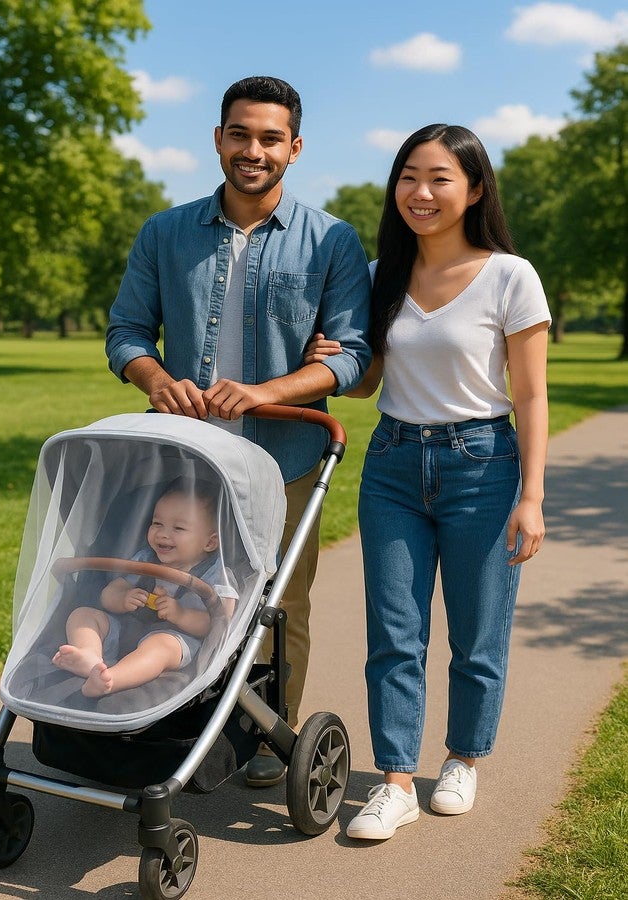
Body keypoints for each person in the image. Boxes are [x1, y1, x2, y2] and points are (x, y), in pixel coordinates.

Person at [105, 76, 371, 783]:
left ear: (295, 148)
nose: (254, 150)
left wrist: (266, 392)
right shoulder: (163, 233)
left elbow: (352, 353)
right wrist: (157, 381)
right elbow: (127, 331)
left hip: (285, 459)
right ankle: (169, 717)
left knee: (279, 605)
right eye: (241, 134)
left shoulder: (332, 242)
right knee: (172, 586)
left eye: (270, 138)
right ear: (219, 138)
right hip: (186, 463)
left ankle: (266, 734)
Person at [305, 124, 550, 839]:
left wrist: (532, 496)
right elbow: (374, 379)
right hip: (392, 468)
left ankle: (463, 759)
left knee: (477, 634)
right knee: (394, 632)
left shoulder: (512, 274)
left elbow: (531, 395)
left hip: (484, 466)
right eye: (409, 176)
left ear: (474, 189)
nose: (421, 191)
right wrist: (336, 362)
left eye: (440, 177)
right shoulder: (383, 272)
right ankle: (395, 781)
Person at [52, 484, 238, 697]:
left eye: (178, 528)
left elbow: (219, 622)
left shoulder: (217, 575)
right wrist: (122, 598)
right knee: (82, 614)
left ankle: (112, 679)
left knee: (161, 646)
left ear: (210, 542)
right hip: (125, 629)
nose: (163, 534)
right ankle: (90, 657)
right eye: (157, 523)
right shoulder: (145, 558)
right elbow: (109, 592)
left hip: (176, 639)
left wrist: (181, 614)